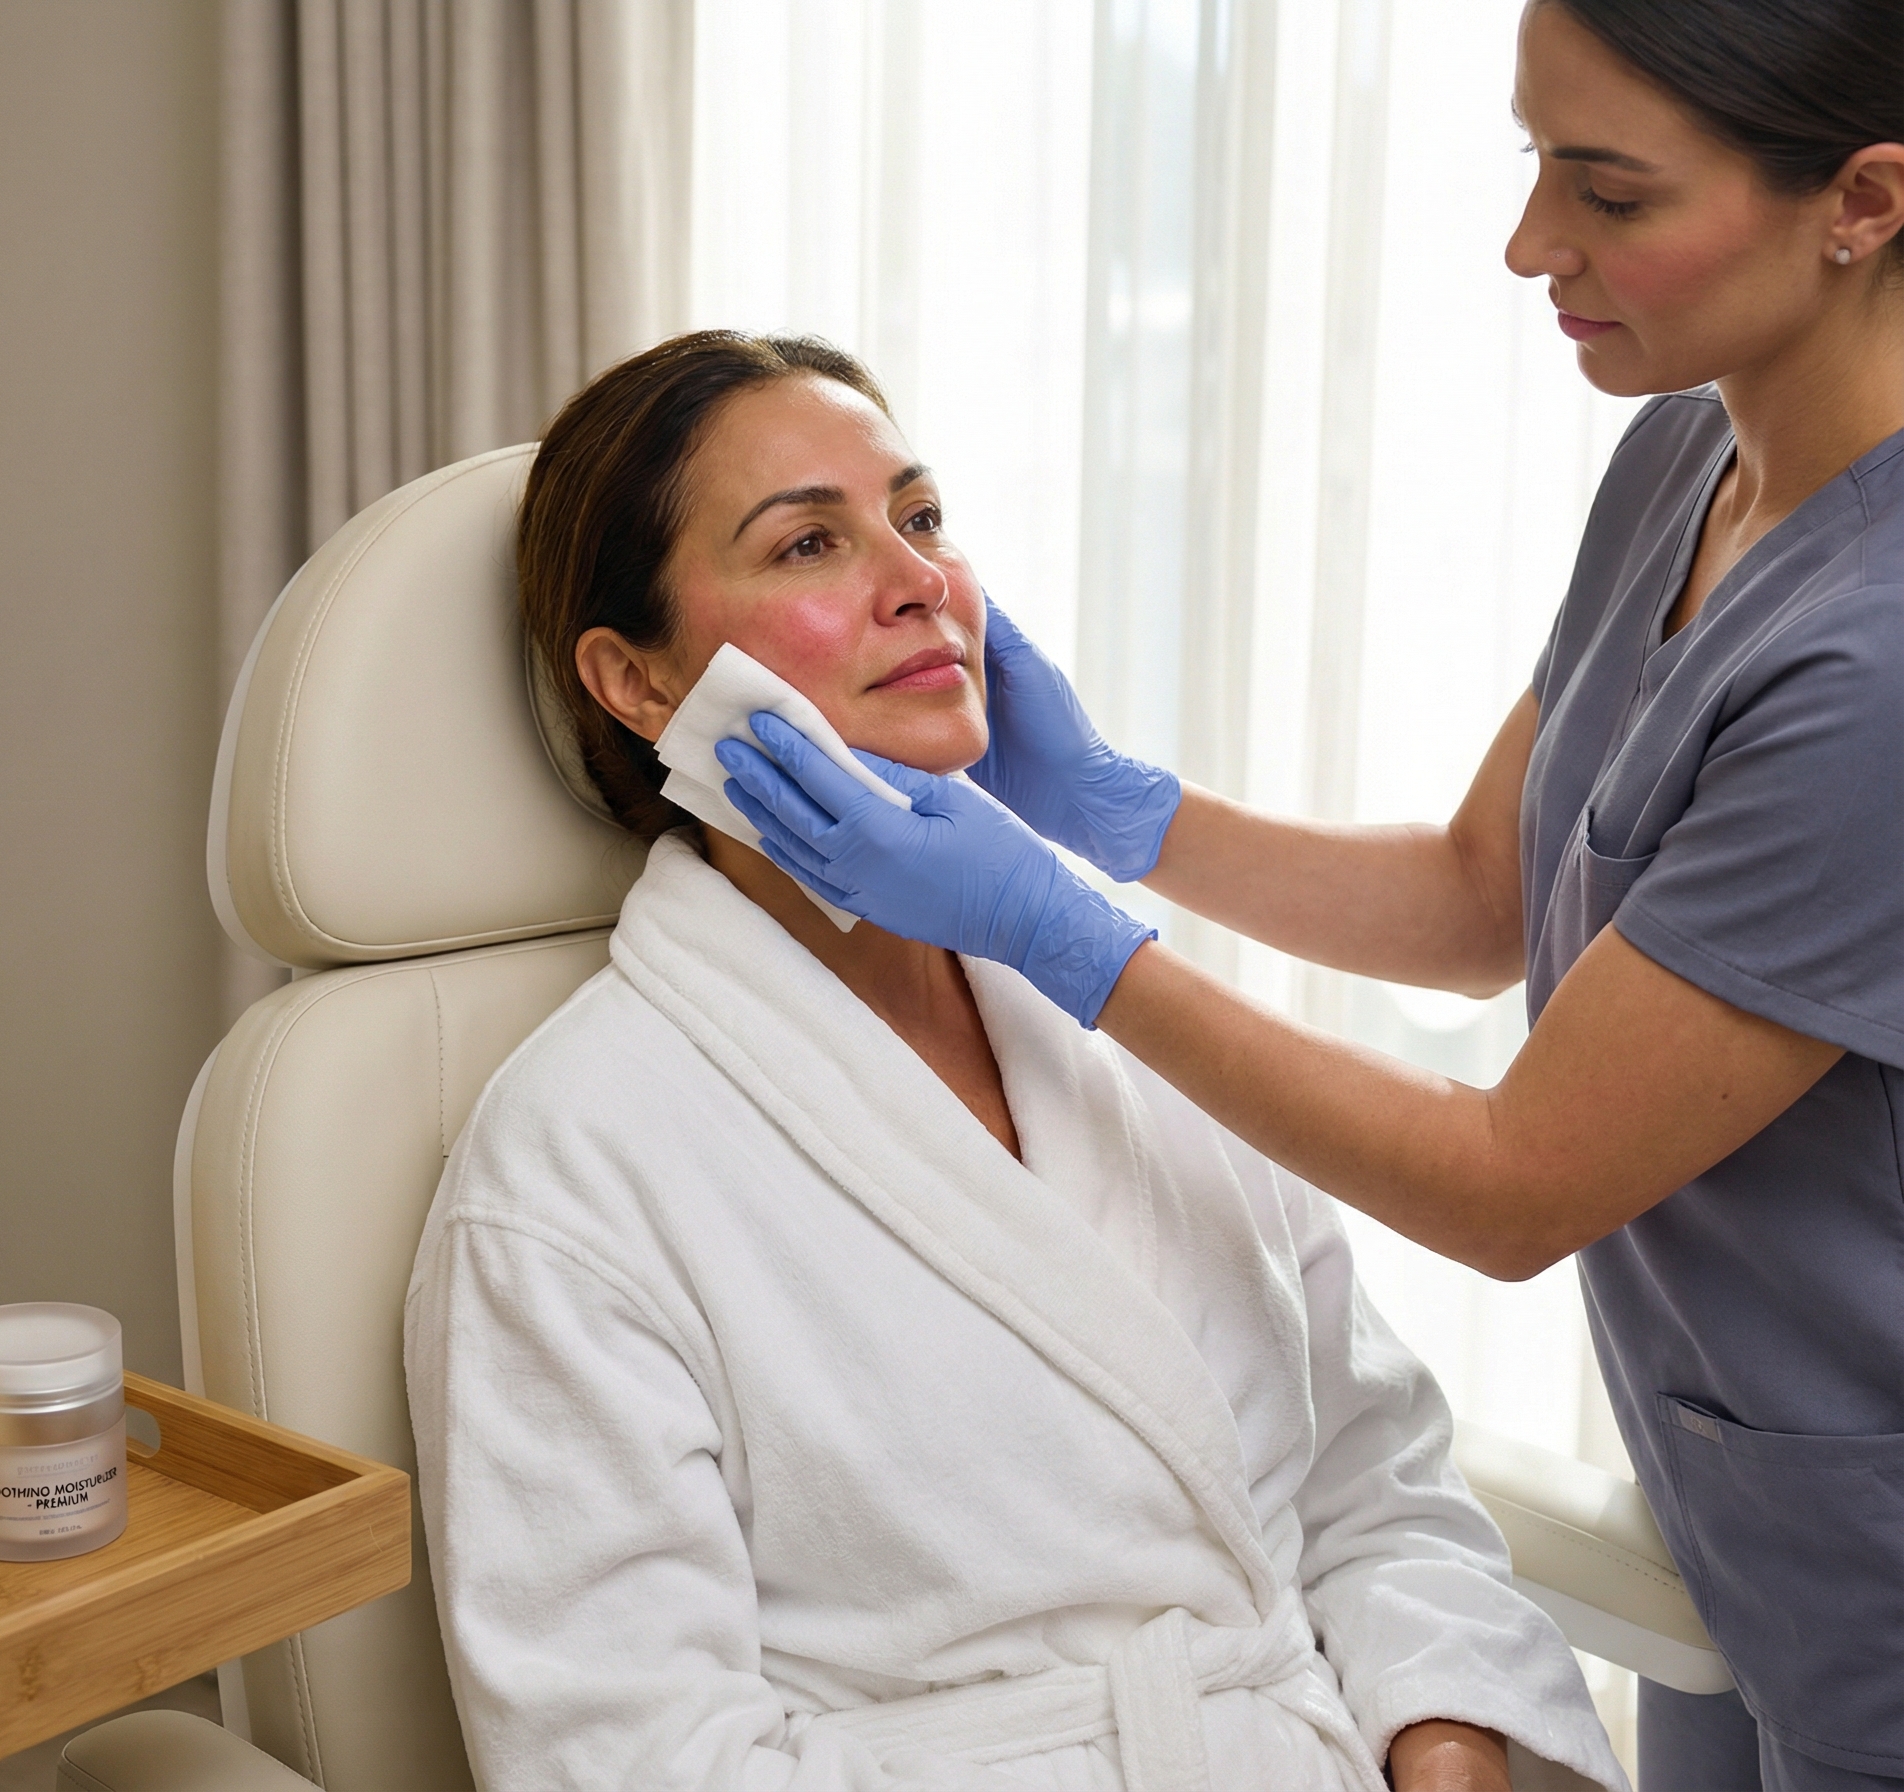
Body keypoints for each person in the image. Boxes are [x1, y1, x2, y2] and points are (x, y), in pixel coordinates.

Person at [715, 5, 1904, 1788]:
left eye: (1610, 191)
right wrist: (1125, 818)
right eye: (1533, 162)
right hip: (1742, 1508)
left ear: (1864, 201)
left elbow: (1516, 1190)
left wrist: (1053, 924)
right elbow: (1479, 892)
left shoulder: (1875, 660)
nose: (1531, 246)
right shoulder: (1689, 453)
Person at [403, 329, 1627, 1792]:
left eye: (921, 519)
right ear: (641, 684)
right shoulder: (574, 1167)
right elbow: (630, 1756)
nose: (920, 577)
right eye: (808, 543)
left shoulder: (1126, 1022)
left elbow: (1377, 1487)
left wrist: (1445, 1747)